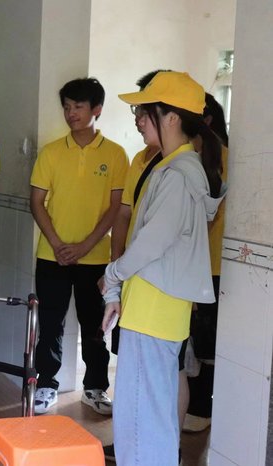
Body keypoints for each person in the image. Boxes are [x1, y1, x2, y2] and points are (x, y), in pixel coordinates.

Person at [101, 71, 225, 465]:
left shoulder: (177, 174)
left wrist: (112, 275)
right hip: (155, 309)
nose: (138, 119)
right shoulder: (174, 167)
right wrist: (117, 288)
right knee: (150, 418)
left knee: (141, 421)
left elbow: (151, 243)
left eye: (145, 111)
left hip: (153, 311)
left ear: (171, 117)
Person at [30, 77, 128, 415]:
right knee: (50, 324)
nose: (71, 113)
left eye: (78, 107)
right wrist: (58, 244)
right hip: (51, 255)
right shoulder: (51, 152)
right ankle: (46, 385)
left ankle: (95, 388)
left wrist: (85, 246)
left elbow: (116, 209)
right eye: (67, 107)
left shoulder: (116, 155)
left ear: (96, 109)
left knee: (95, 326)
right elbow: (36, 202)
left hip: (95, 258)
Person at [184, 93, 229, 432]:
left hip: (211, 266)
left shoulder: (220, 157)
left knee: (206, 341)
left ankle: (201, 409)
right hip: (199, 265)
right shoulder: (193, 157)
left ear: (206, 119)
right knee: (196, 340)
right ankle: (194, 406)